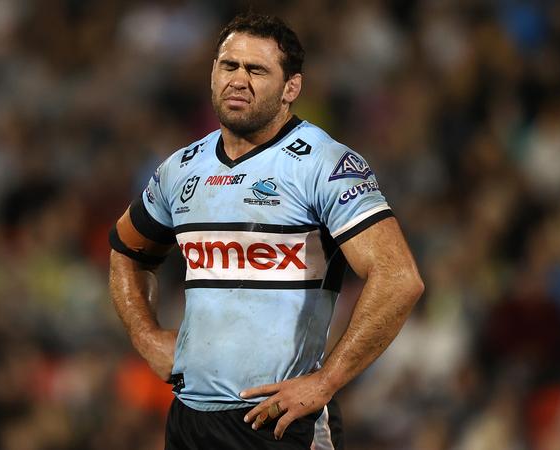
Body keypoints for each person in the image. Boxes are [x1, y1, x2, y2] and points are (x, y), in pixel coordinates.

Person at [109, 12, 424, 450]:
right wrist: (145, 336)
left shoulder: (324, 164)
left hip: (278, 421)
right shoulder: (180, 169)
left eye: (256, 70)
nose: (239, 80)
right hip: (188, 420)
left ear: (291, 88)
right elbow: (127, 251)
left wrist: (325, 381)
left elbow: (399, 278)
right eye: (229, 66)